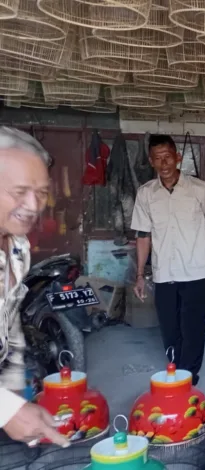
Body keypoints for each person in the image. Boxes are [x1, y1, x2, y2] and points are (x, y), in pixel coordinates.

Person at [130, 134, 205, 386]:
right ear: (151, 161)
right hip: (165, 273)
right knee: (170, 328)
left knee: (193, 328)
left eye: (168, 157)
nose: (164, 163)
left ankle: (188, 376)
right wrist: (140, 274)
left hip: (196, 269)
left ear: (178, 157)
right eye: (158, 158)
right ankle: (175, 368)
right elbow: (143, 234)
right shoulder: (146, 194)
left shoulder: (199, 189)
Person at [0, 127, 69, 447]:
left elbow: (9, 327)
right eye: (19, 191)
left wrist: (15, 395)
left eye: (41, 192)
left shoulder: (18, 249)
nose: (32, 205)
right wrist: (7, 410)